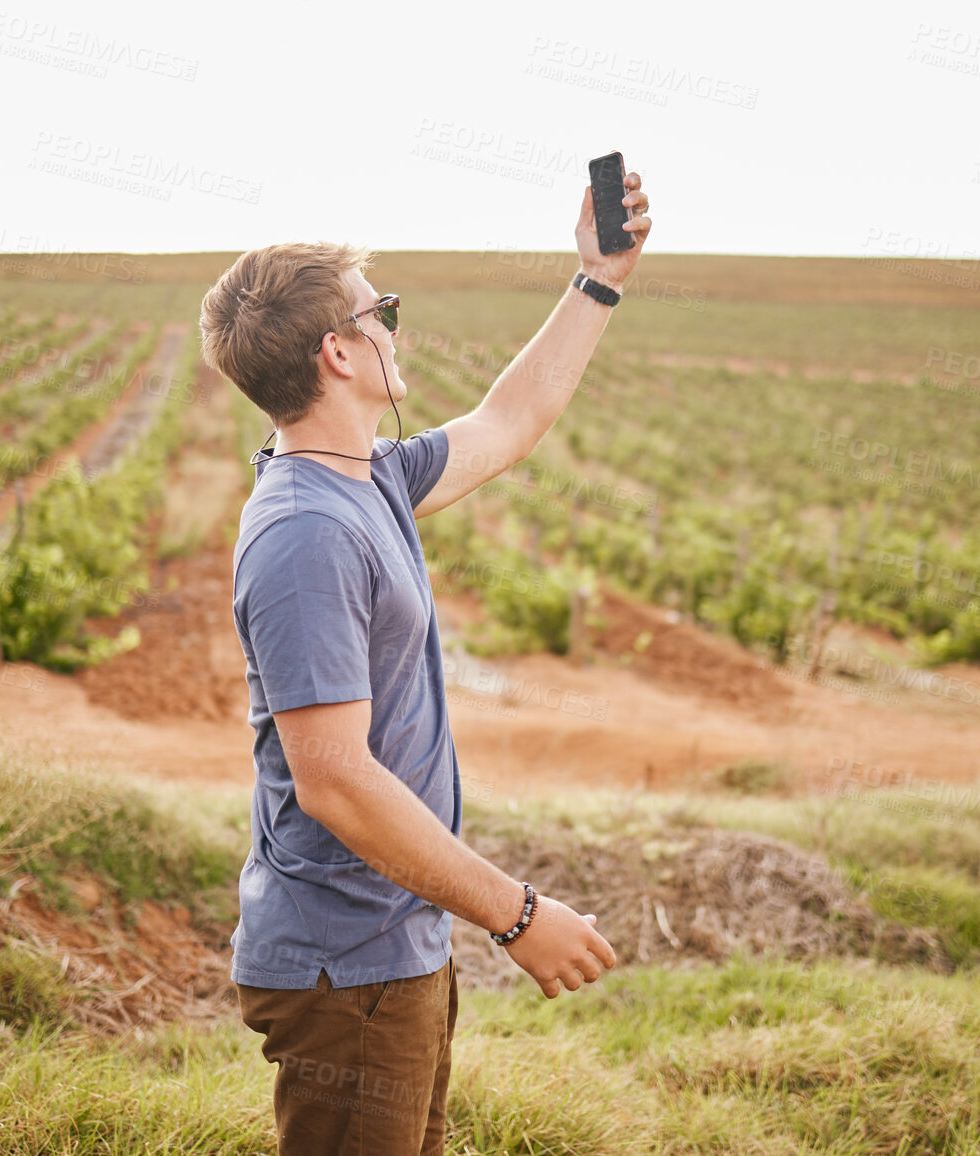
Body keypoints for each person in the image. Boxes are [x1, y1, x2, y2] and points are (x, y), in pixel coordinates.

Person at [197, 166, 652, 1155]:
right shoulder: (306, 531)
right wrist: (519, 914)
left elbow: (511, 421)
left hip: (389, 946)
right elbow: (335, 781)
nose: (394, 330)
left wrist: (598, 278)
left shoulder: (372, 478)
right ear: (340, 352)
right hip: (344, 963)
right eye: (382, 312)